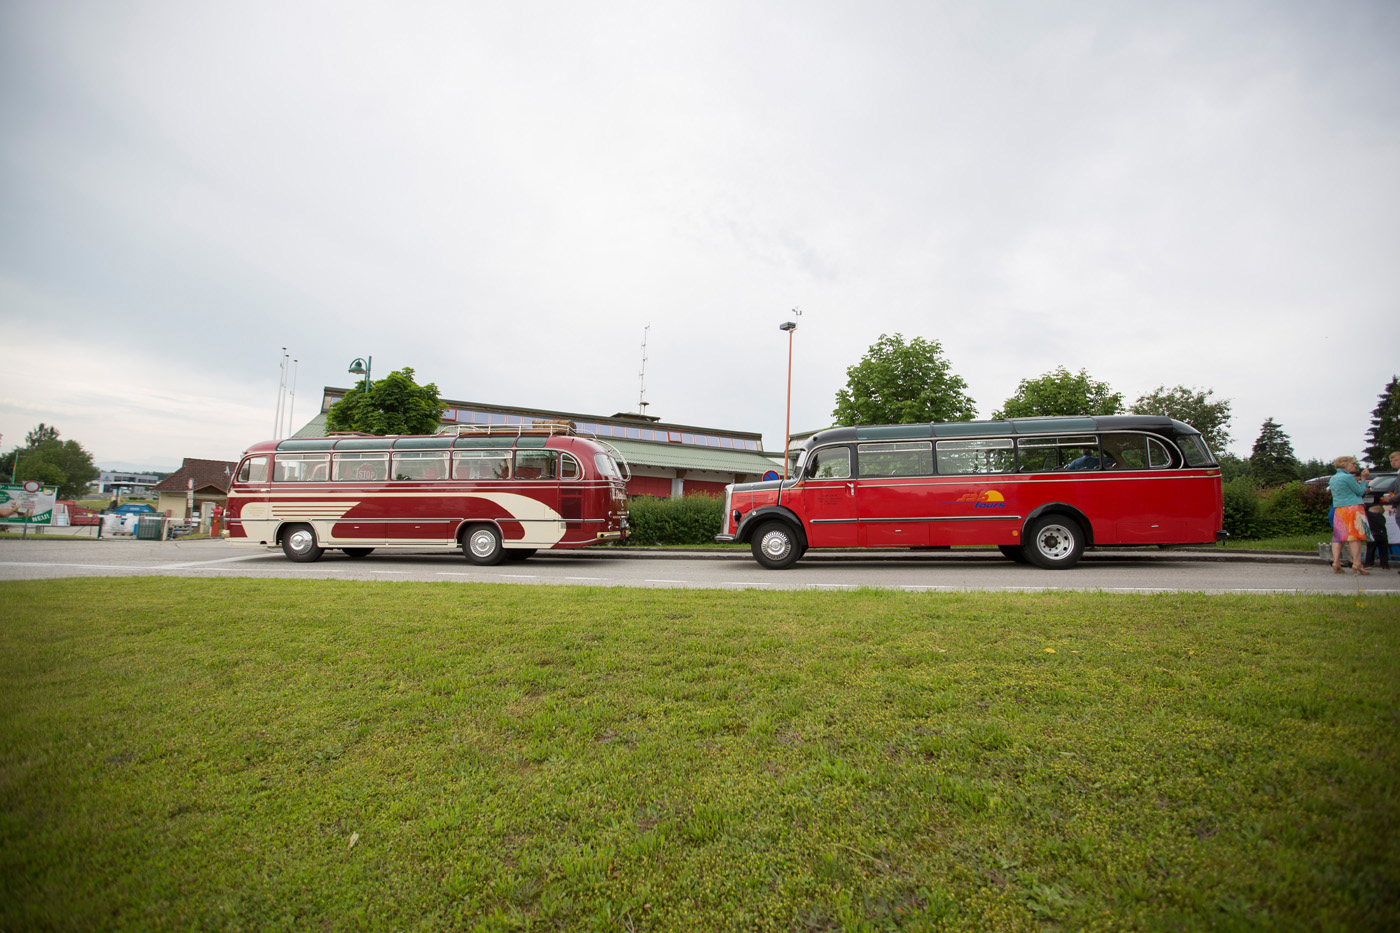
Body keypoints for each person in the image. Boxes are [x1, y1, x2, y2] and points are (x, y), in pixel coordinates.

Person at [1328, 456, 1371, 575]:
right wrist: (1363, 480)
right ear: (1344, 465)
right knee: (1355, 536)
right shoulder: (1348, 477)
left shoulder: (1333, 479)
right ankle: (1357, 563)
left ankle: (1336, 561)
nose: (1355, 466)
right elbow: (1360, 492)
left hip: (1339, 509)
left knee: (1338, 536)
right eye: (1353, 464)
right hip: (1353, 508)